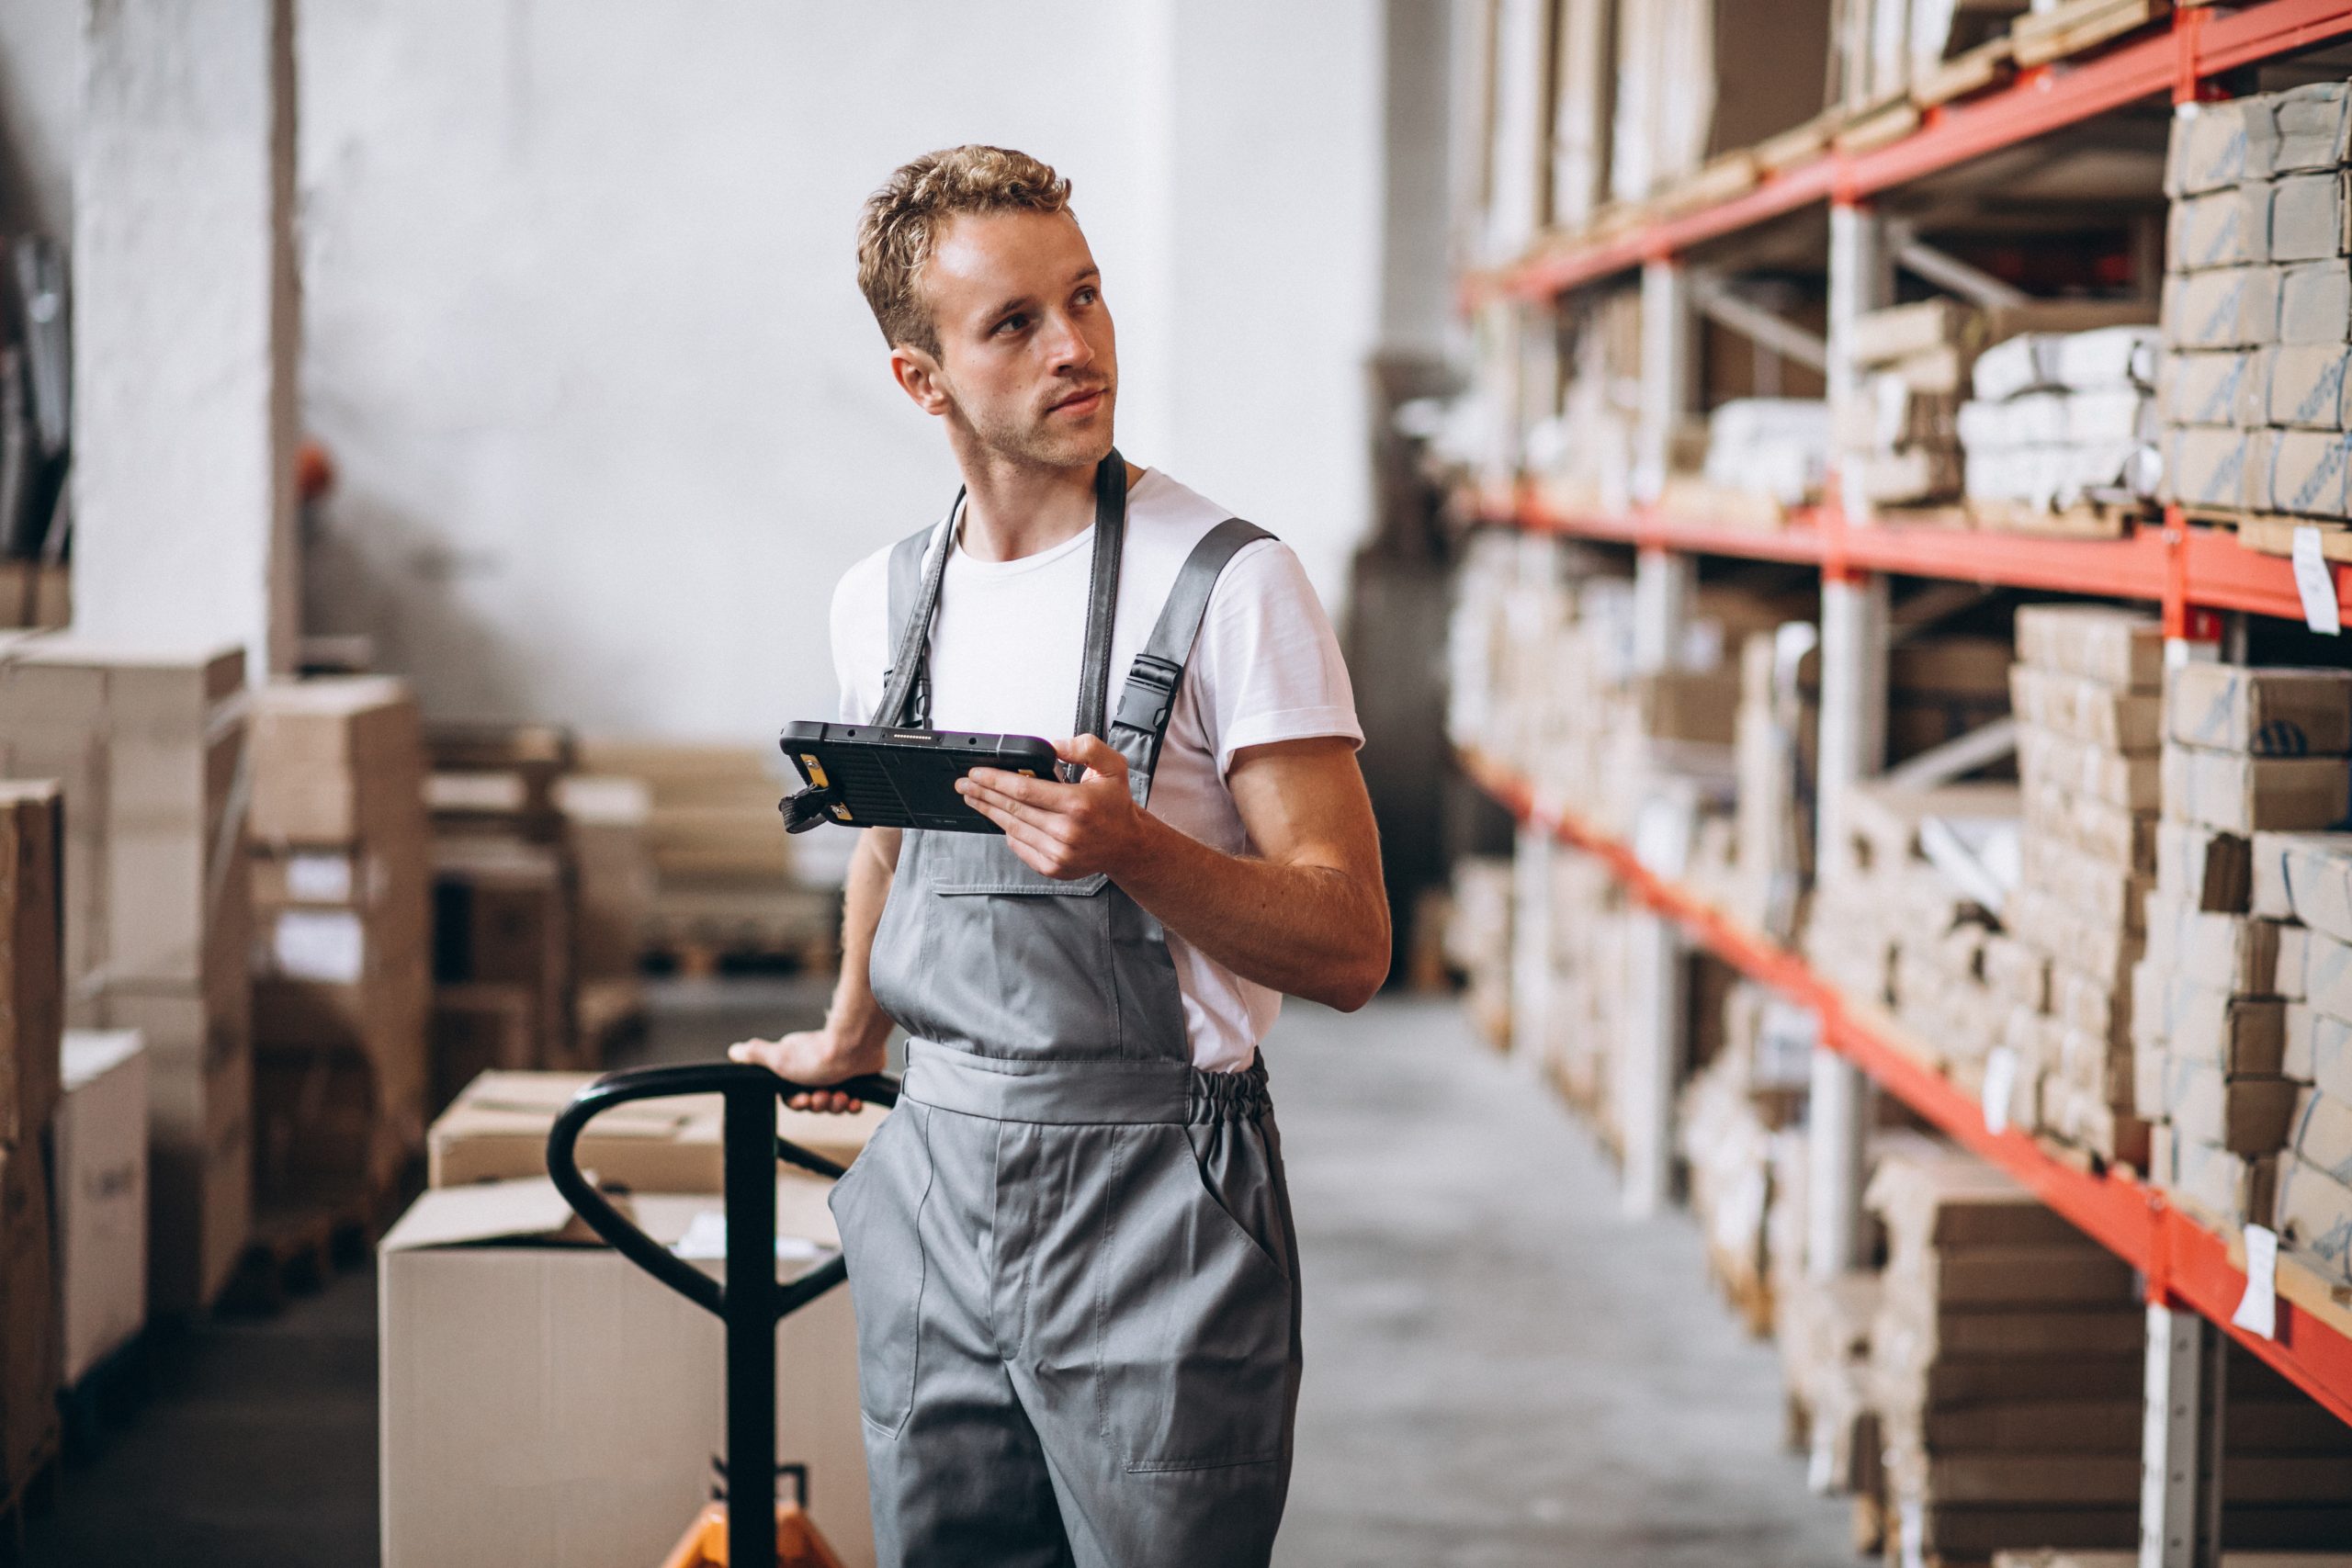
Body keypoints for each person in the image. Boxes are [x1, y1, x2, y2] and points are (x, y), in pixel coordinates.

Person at [729, 144, 1388, 1568]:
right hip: (936, 1184)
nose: (1076, 346)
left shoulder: (1228, 583)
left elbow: (1351, 943)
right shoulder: (885, 601)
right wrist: (849, 1034)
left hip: (1158, 1207)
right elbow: (891, 845)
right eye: (1014, 323)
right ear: (924, 380)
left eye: (1084, 298)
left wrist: (1138, 847)